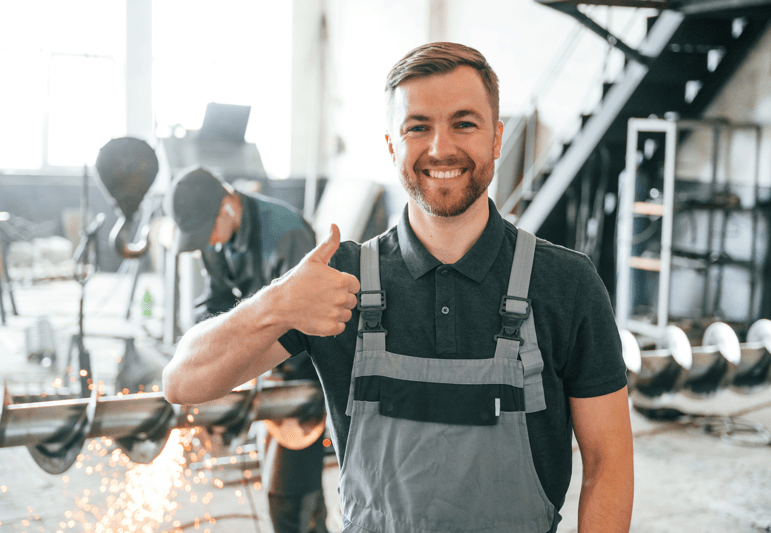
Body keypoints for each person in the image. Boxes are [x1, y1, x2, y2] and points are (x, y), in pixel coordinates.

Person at [163, 42, 634, 533]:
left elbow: (609, 462)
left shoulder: (566, 284)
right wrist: (276, 303)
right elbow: (183, 383)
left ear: (497, 138)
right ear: (392, 145)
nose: (441, 147)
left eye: (464, 123)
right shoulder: (339, 281)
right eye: (418, 127)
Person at [165, 167, 328, 533]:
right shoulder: (216, 237)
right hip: (266, 369)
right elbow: (216, 302)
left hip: (305, 375)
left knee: (289, 497)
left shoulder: (287, 233)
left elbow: (307, 324)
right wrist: (205, 359)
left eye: (208, 231)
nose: (207, 242)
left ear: (227, 208)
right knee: (293, 495)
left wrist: (253, 363)